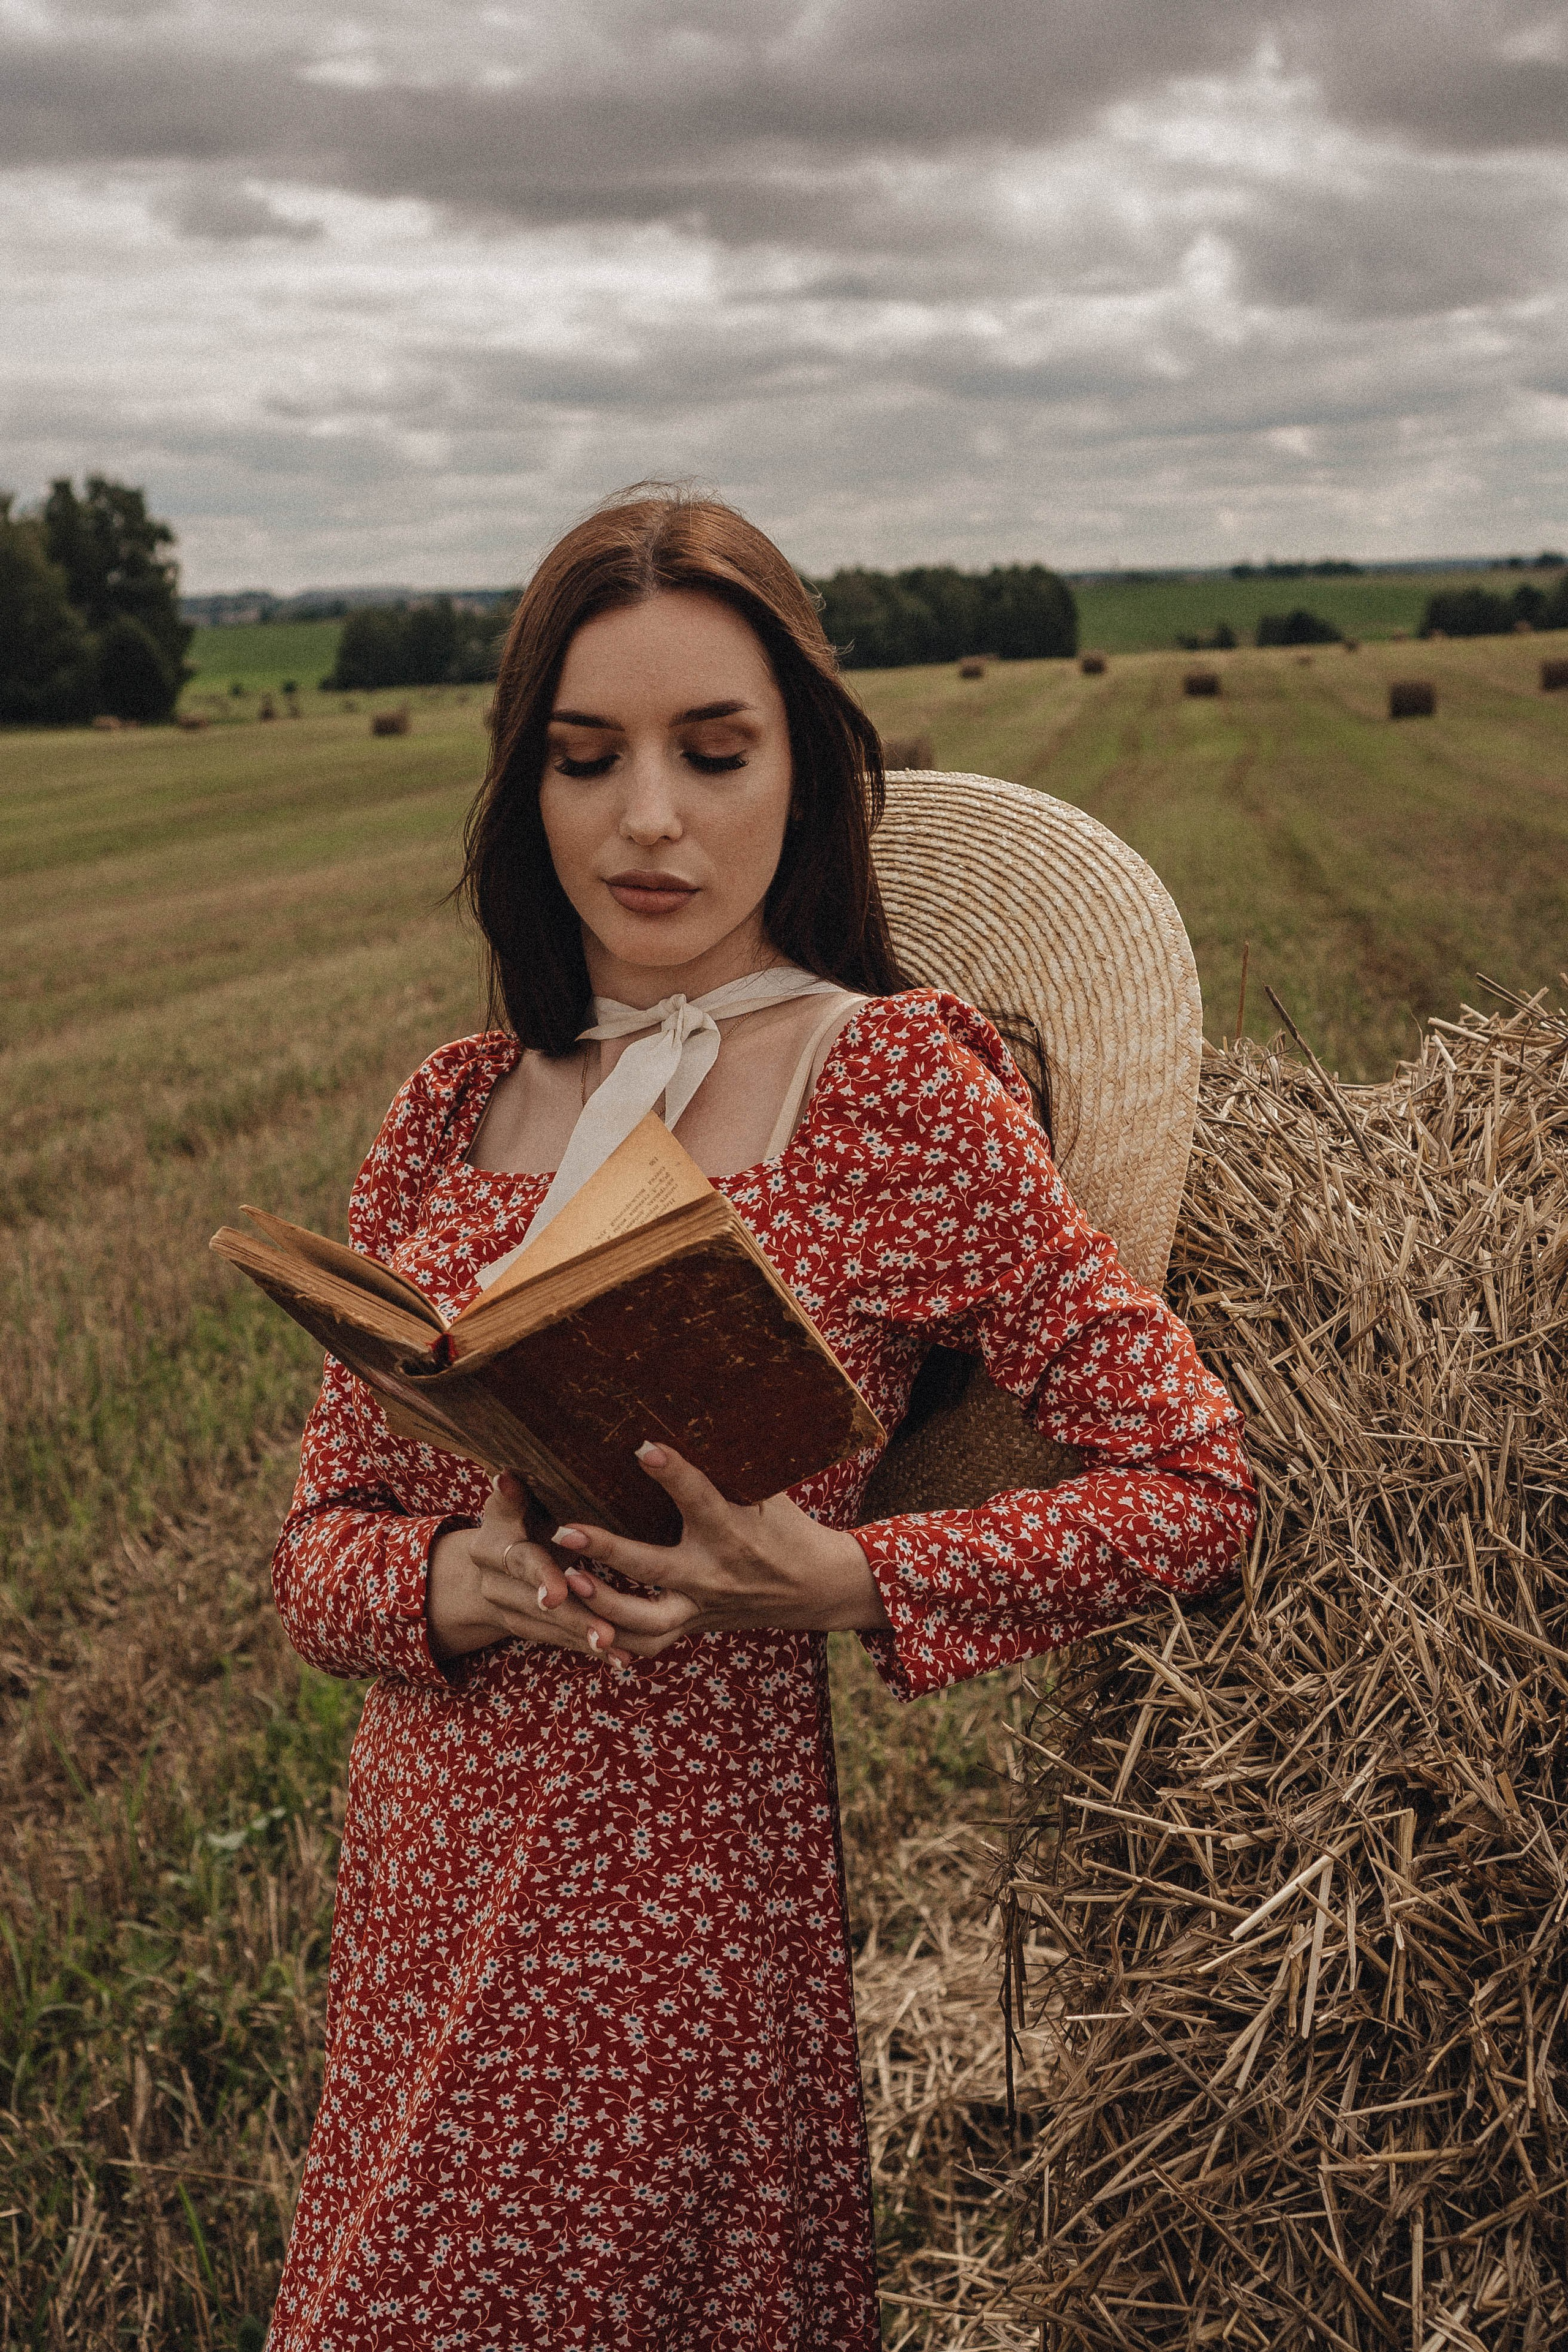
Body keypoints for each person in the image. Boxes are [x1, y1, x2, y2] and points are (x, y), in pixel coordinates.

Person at [265, 486, 1256, 2351]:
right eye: (587, 758)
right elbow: (316, 1560)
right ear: (524, 790)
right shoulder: (448, 1109)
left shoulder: (890, 1089)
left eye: (713, 751)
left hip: (687, 1923)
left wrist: (847, 1577)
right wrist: (451, 1590)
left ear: (802, 771)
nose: (649, 818)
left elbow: (1194, 1486)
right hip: (428, 1892)